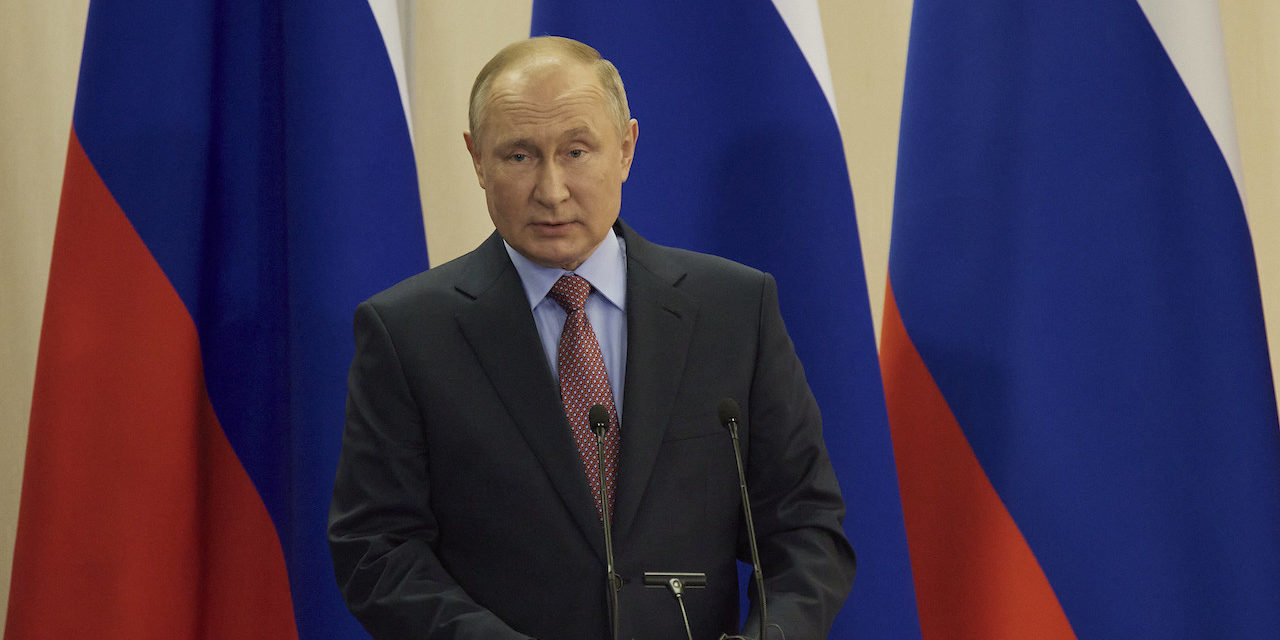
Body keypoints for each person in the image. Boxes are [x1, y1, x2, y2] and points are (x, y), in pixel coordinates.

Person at [328, 36, 855, 640]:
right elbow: (377, 549)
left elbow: (805, 525)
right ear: (476, 159)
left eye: (576, 151)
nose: (552, 190)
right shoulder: (407, 332)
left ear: (626, 149)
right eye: (519, 156)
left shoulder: (734, 310)